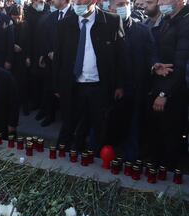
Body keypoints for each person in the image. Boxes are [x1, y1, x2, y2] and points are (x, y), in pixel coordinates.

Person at [53, 0, 127, 153]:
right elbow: (58, 58)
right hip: (74, 85)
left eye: (82, 0)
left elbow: (121, 57)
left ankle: (97, 163)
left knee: (100, 128)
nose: (78, 3)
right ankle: (64, 159)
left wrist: (120, 85)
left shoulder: (112, 21)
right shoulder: (64, 24)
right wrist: (57, 85)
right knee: (69, 126)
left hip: (100, 86)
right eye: (75, 0)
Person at [108, 0, 159, 160]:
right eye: (119, 4)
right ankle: (102, 156)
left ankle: (131, 160)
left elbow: (151, 54)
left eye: (125, 3)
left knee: (133, 126)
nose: (123, 7)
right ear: (110, 8)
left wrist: (154, 65)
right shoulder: (104, 30)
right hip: (112, 88)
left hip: (136, 88)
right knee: (108, 124)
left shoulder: (142, 30)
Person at [145, 0, 189, 170]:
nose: (161, 2)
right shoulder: (167, 20)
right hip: (158, 85)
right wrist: (155, 65)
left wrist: (164, 94)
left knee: (170, 138)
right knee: (156, 137)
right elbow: (155, 49)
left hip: (173, 93)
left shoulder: (185, 23)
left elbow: (181, 64)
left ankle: (167, 180)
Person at [37, 0, 73, 127]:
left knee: (65, 91)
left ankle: (67, 120)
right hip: (51, 61)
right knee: (49, 88)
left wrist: (58, 55)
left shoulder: (74, 15)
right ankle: (49, 115)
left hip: (66, 62)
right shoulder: (51, 17)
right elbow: (45, 37)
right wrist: (47, 52)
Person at [9, 5, 29, 115]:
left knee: (23, 83)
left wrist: (28, 57)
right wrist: (12, 46)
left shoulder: (26, 25)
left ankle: (25, 106)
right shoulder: (8, 24)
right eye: (14, 16)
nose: (17, 19)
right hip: (11, 58)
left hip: (22, 58)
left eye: (19, 16)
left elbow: (30, 41)